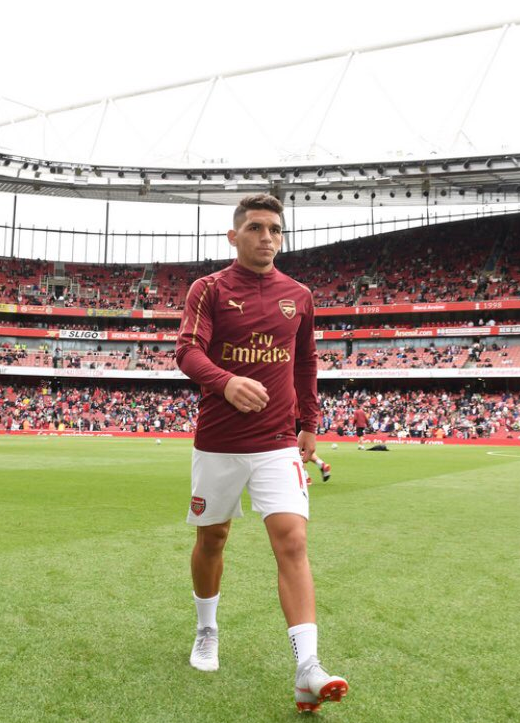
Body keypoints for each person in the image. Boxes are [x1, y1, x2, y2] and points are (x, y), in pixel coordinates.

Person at [175, 194, 348, 713]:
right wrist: (225, 382)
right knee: (213, 539)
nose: (266, 237)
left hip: (277, 442)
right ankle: (207, 629)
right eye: (255, 227)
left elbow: (306, 363)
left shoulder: (299, 295)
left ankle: (308, 667)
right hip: (219, 442)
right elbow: (187, 351)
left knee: (292, 541)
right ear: (234, 236)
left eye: (274, 228)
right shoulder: (208, 289)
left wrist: (310, 423)